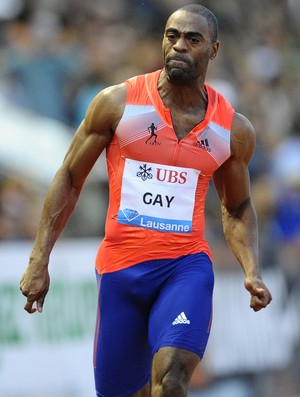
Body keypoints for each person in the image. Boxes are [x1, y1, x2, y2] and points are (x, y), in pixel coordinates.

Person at [20, 4, 272, 397]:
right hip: (121, 271)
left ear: (214, 50)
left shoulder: (232, 130)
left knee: (171, 381)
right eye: (172, 36)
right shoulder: (118, 104)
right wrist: (40, 258)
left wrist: (252, 269)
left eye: (193, 39)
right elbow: (70, 177)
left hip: (185, 267)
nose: (179, 46)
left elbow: (237, 207)